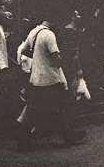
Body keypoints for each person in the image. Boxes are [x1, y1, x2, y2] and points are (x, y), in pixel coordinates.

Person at [16, 13, 86, 152]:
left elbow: (24, 50)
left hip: (36, 78)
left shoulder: (34, 32)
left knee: (33, 111)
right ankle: (69, 135)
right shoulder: (49, 35)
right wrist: (65, 60)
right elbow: (56, 59)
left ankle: (23, 141)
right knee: (64, 106)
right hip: (51, 79)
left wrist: (38, 56)